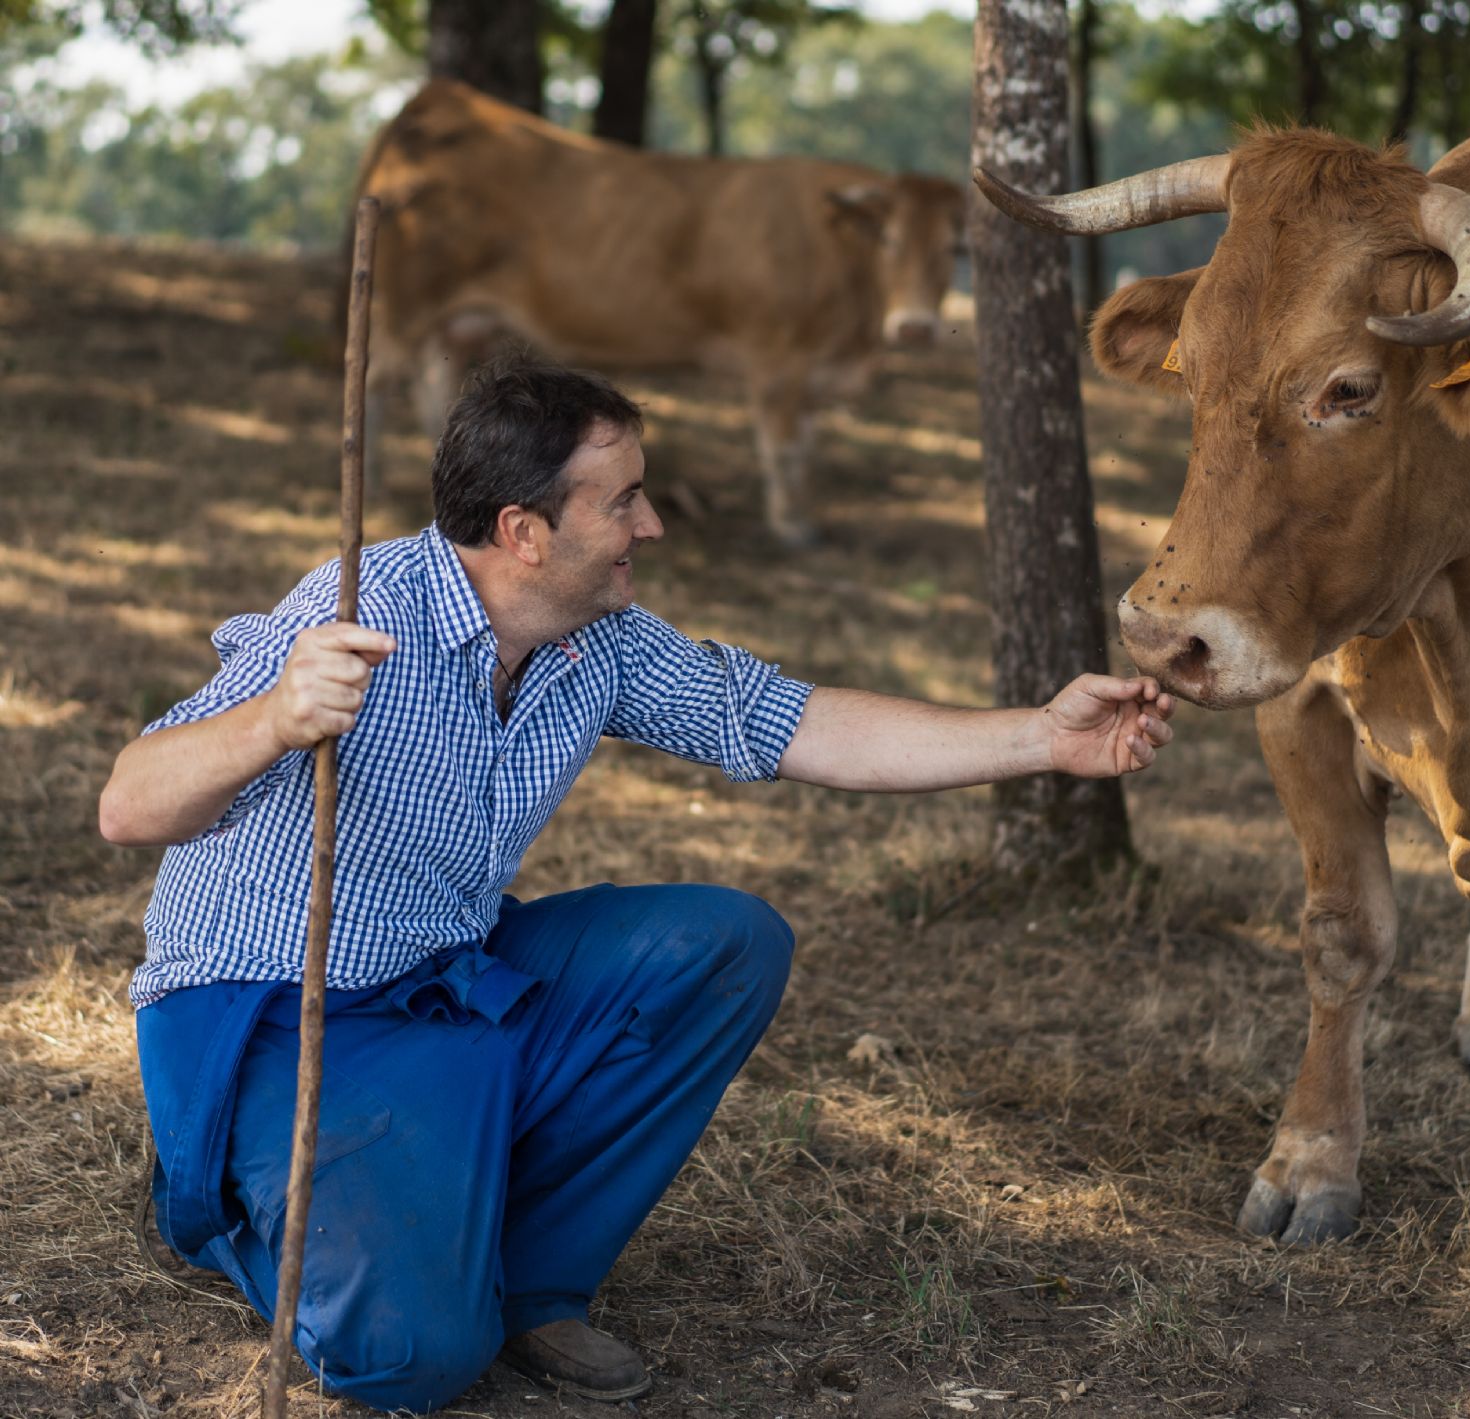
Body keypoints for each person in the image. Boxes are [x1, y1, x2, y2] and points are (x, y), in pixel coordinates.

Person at [98, 355, 1173, 1413]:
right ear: (524, 532)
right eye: (623, 503)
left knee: (721, 944)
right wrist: (275, 719)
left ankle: (533, 1281)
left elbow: (797, 723)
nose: (650, 526)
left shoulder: (595, 638)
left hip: (446, 978)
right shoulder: (354, 610)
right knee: (411, 1362)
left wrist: (1042, 737)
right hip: (285, 1009)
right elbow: (128, 805)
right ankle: (226, 1199)